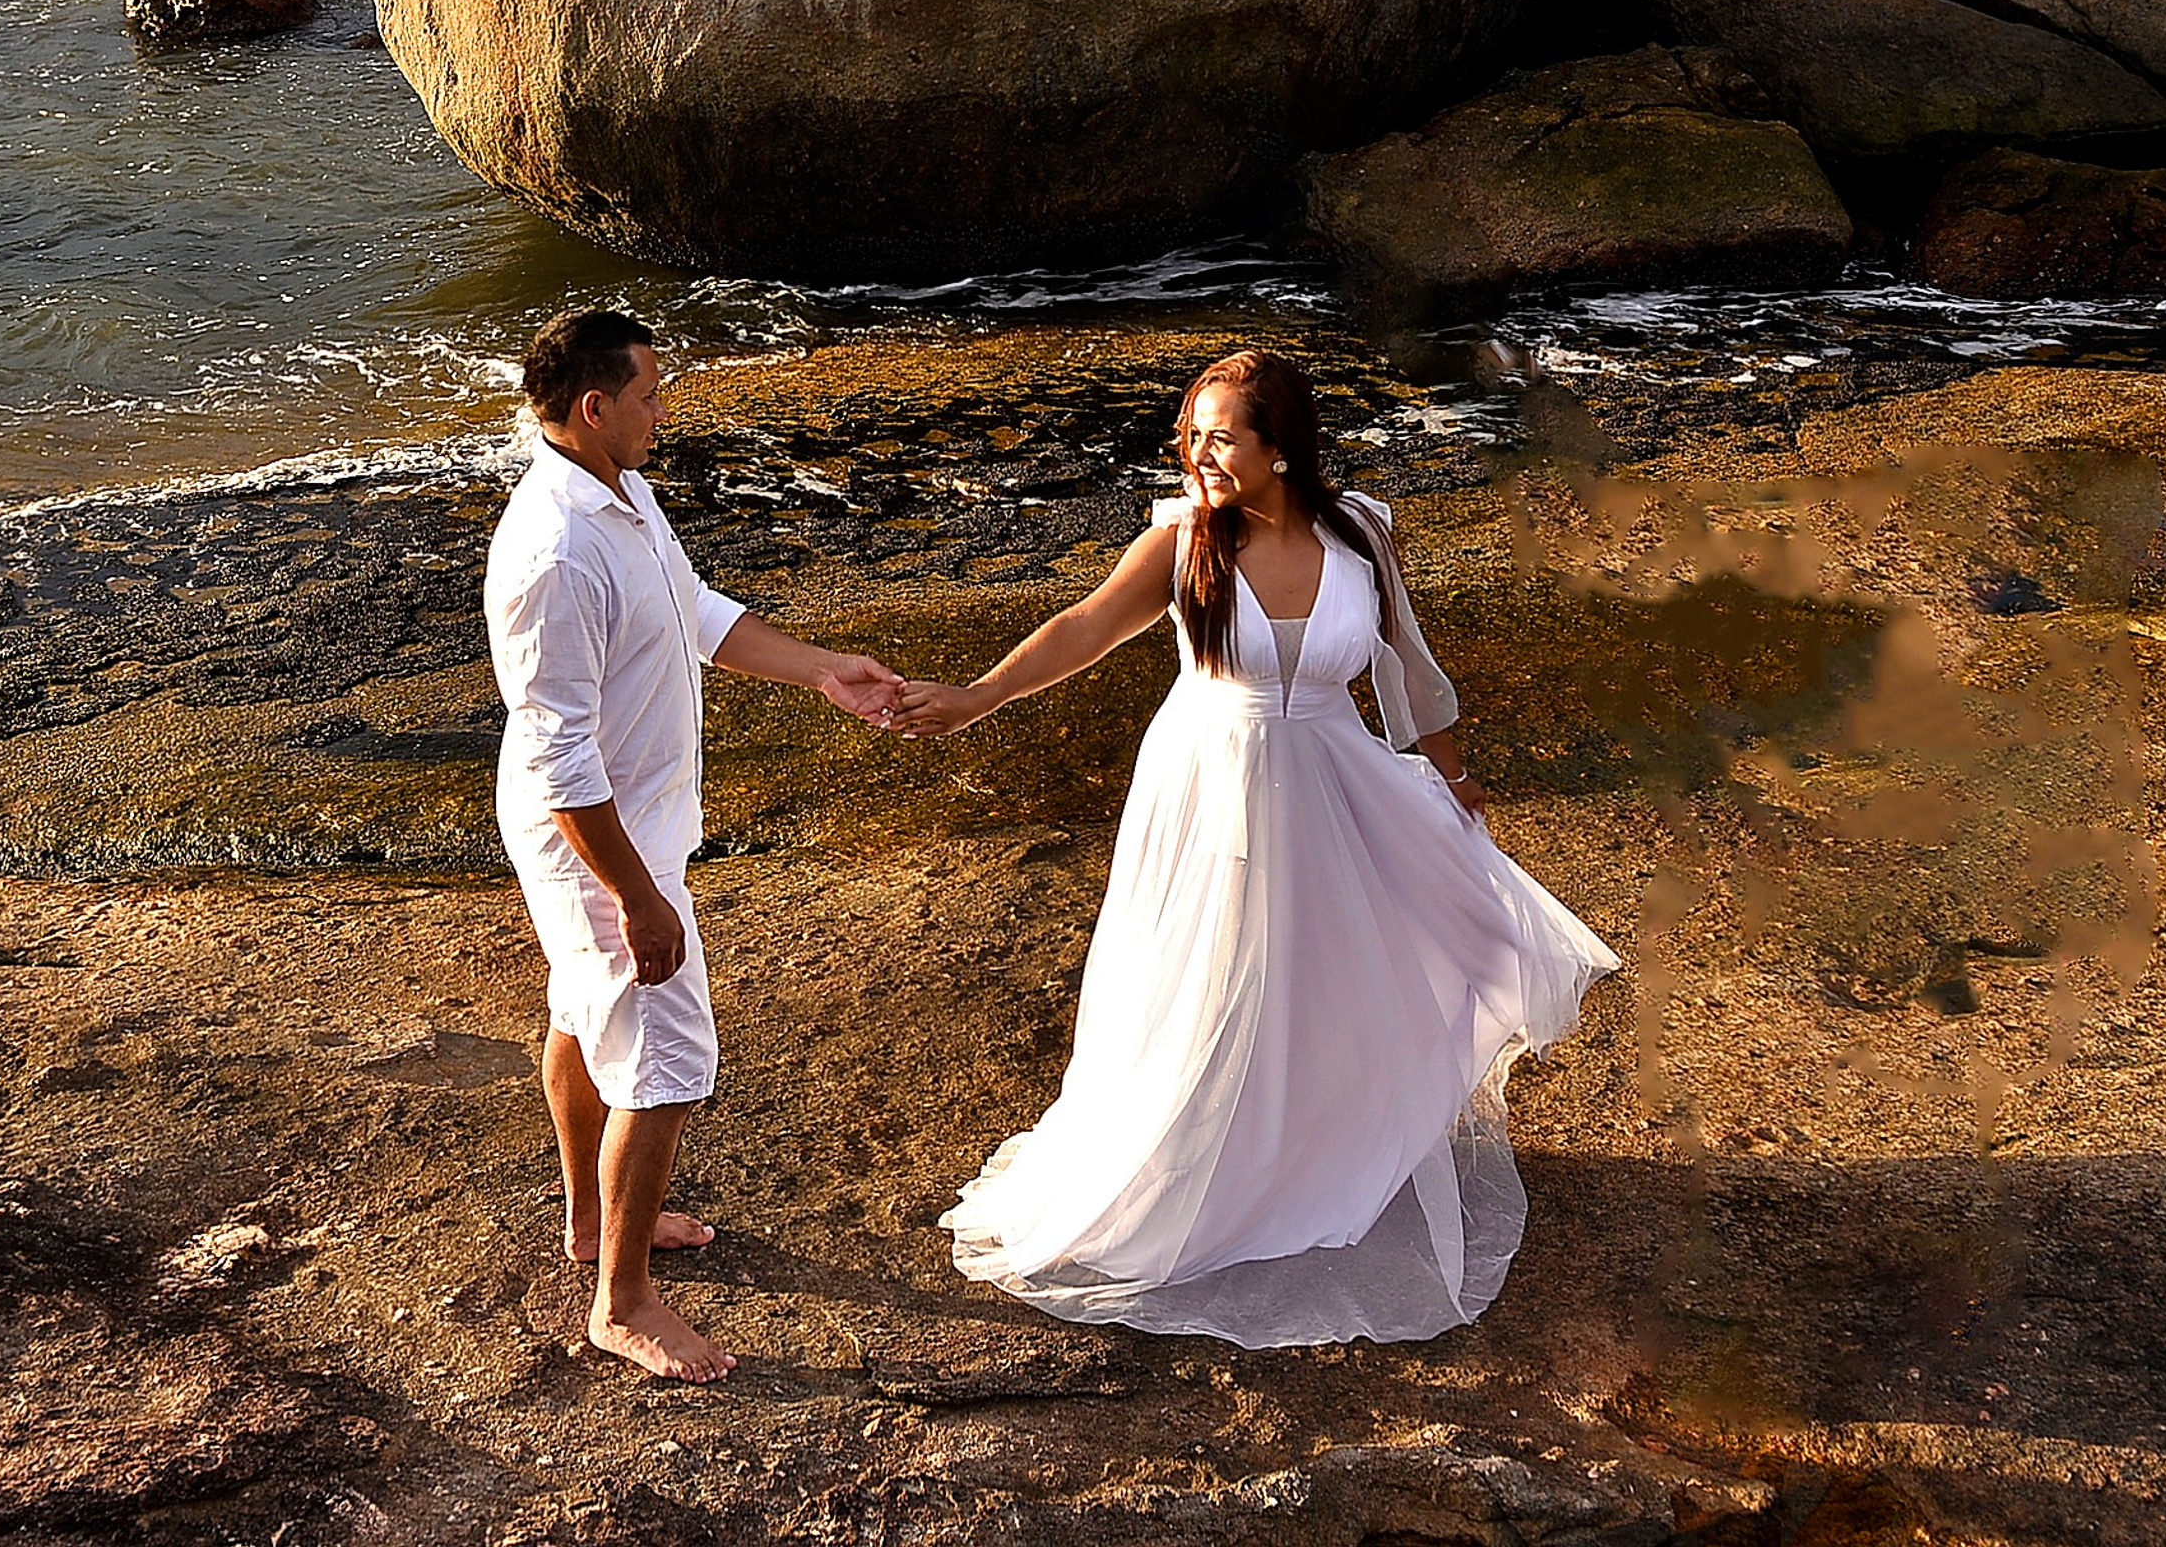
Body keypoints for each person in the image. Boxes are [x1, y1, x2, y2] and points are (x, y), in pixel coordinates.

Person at [890, 346, 1618, 1346]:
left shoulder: (1361, 532)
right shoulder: (1183, 536)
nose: (1196, 454)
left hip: (1332, 777)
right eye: (1188, 434)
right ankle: (1199, 1165)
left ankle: (1322, 1145)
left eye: (1218, 436)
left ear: (1279, 445)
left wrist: (1451, 777)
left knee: (1346, 968)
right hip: (1206, 782)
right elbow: (1080, 626)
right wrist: (975, 697)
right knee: (1209, 972)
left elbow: (1405, 664)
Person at [487, 306, 904, 1382]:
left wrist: (819, 667)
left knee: (585, 1017)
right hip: (596, 836)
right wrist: (635, 894)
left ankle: (594, 1222)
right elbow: (560, 758)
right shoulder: (554, 551)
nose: (662, 414)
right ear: (594, 408)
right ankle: (620, 1304)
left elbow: (696, 613)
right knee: (667, 1063)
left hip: (631, 825)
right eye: (649, 398)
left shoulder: (621, 495)